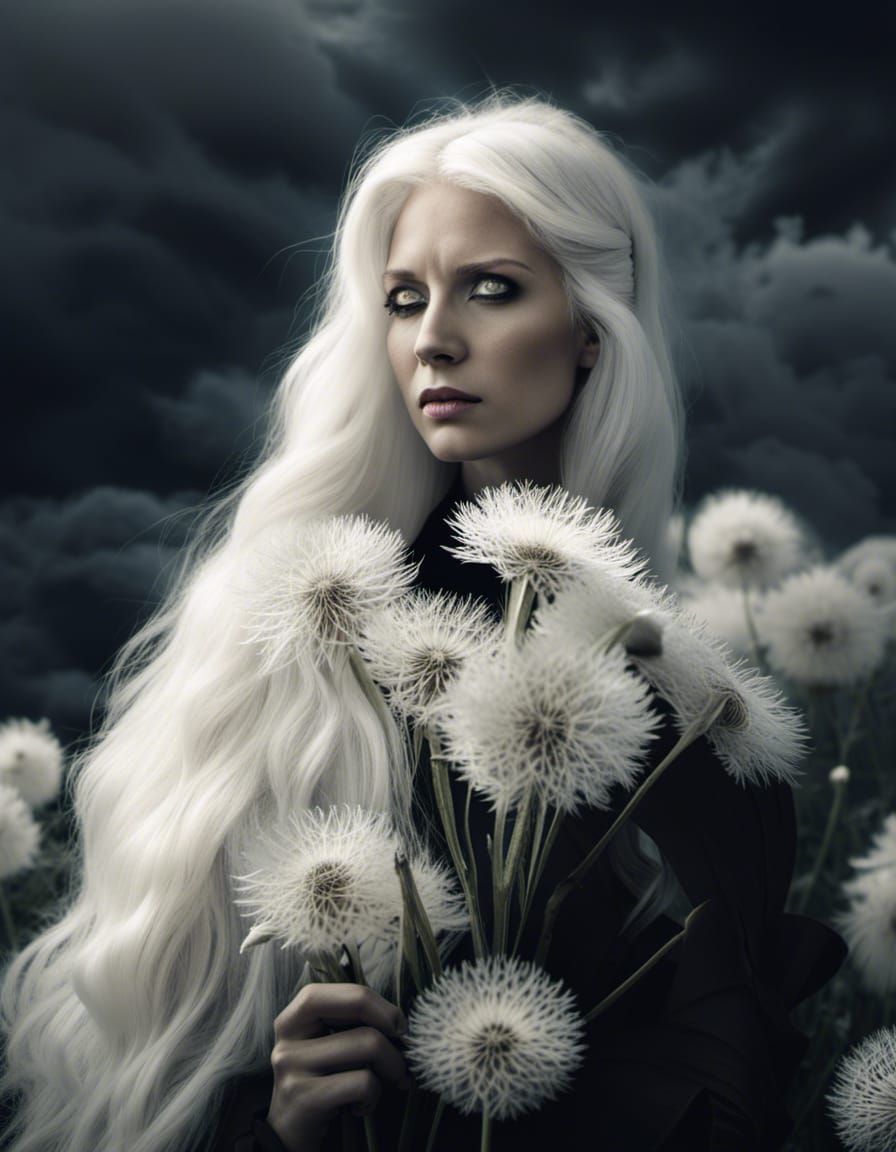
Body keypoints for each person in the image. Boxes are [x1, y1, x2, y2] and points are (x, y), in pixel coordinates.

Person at [0, 95, 843, 1152]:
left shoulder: (685, 713)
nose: (434, 339)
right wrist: (285, 1124)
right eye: (403, 299)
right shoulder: (321, 641)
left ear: (591, 330)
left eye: (491, 289)